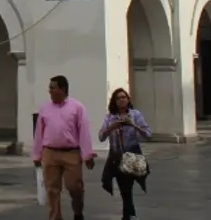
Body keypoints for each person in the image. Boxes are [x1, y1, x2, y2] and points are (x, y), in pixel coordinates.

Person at [32, 75, 96, 220]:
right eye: (49, 88)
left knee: (75, 187)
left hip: (71, 153)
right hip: (50, 152)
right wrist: (37, 155)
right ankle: (55, 217)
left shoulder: (77, 107)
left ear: (63, 89)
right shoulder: (44, 108)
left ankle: (78, 212)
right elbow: (39, 133)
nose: (49, 91)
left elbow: (84, 132)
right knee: (52, 189)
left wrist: (87, 155)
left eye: (53, 88)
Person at [99, 88, 151, 220]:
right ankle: (128, 214)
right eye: (118, 98)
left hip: (132, 156)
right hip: (116, 157)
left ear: (128, 100)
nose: (122, 100)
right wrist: (113, 126)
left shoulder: (136, 115)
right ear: (115, 102)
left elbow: (147, 134)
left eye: (124, 97)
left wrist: (133, 125)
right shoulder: (110, 117)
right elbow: (101, 136)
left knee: (127, 186)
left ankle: (128, 215)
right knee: (123, 187)